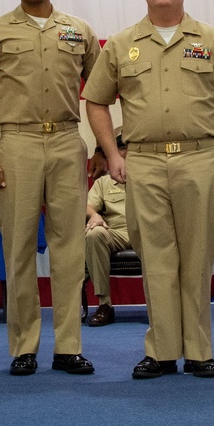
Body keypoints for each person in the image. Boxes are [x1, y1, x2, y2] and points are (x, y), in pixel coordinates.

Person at [84, 0, 214, 380]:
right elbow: (96, 100)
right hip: (141, 163)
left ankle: (199, 351)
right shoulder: (122, 44)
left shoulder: (213, 40)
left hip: (199, 159)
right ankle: (161, 351)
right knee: (156, 260)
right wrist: (111, 153)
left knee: (196, 259)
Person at [0, 0, 101, 376]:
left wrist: (103, 146)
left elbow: (99, 92)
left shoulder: (79, 30)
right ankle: (23, 346)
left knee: (69, 247)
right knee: (19, 249)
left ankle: (68, 346)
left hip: (66, 141)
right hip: (17, 145)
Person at [84, 128, 131, 327]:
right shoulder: (104, 181)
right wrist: (95, 215)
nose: (126, 151)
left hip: (148, 230)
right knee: (95, 234)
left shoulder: (153, 177)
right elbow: (87, 204)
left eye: (130, 146)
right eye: (120, 147)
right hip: (118, 231)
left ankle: (163, 306)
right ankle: (105, 304)